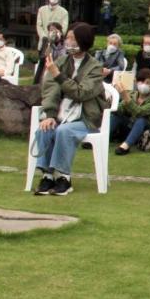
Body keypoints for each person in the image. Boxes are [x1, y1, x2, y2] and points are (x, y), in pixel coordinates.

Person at [32, 22, 106, 196]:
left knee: (63, 131)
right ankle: (48, 176)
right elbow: (50, 88)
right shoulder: (61, 61)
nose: (68, 41)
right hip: (61, 115)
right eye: (68, 37)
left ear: (83, 41)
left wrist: (58, 74)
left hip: (86, 118)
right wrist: (50, 115)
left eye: (73, 38)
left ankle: (64, 177)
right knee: (45, 128)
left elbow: (82, 93)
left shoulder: (95, 68)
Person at [112, 68, 150, 155]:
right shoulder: (133, 94)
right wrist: (112, 101)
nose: (143, 85)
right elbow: (120, 109)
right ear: (136, 82)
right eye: (141, 81)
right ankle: (102, 137)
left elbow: (140, 112)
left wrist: (125, 96)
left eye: (147, 83)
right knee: (117, 116)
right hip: (132, 126)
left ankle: (125, 146)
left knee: (141, 119)